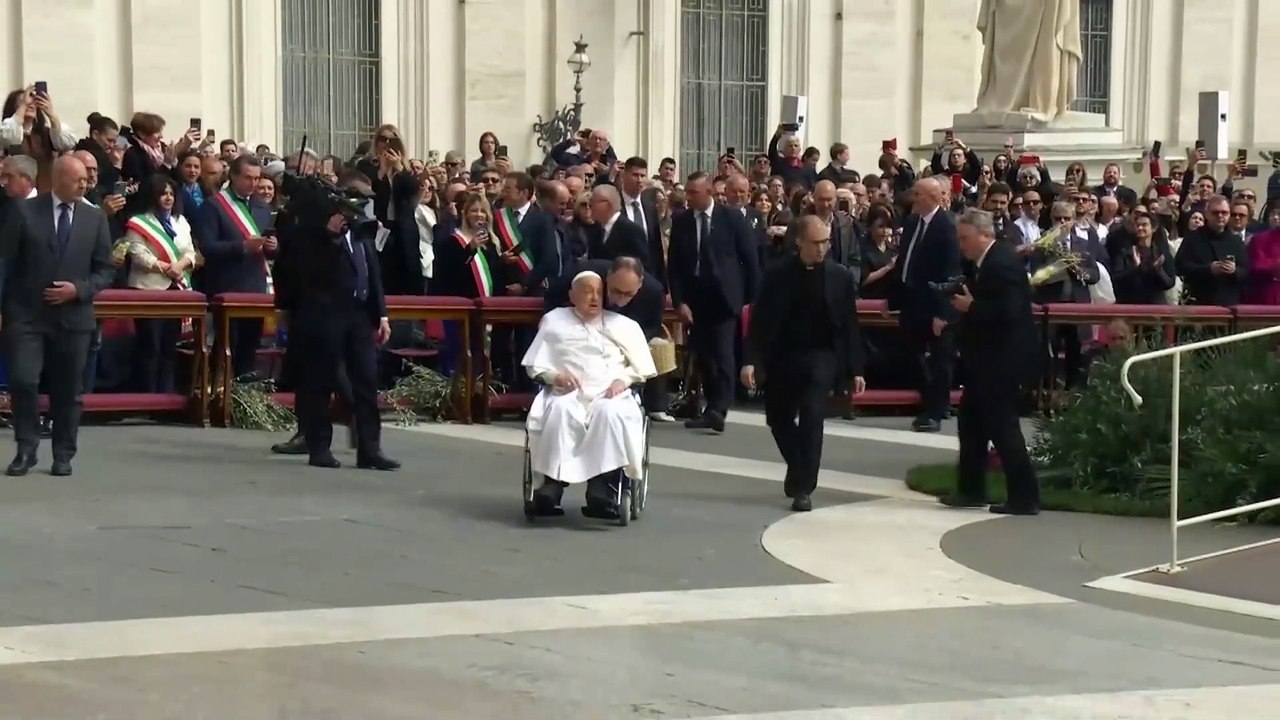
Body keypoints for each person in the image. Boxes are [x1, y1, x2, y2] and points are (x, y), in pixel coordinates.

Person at [0, 155, 115, 477]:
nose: (84, 184)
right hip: (27, 315)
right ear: (58, 178)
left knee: (68, 389)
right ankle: (26, 449)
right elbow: (5, 262)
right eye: (77, 179)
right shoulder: (24, 212)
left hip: (73, 317)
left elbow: (105, 269)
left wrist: (78, 290)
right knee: (24, 380)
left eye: (85, 179)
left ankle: (63, 453)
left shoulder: (95, 220)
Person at [741, 216, 866, 512]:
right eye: (816, 243)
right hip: (782, 355)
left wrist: (856, 369)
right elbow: (760, 323)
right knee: (779, 419)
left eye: (826, 243)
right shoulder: (776, 275)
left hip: (822, 356)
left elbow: (849, 325)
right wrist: (751, 362)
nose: (822, 249)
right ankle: (799, 465)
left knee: (812, 414)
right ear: (799, 242)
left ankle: (804, 488)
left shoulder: (839, 276)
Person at [275, 178, 399, 471]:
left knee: (367, 382)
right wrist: (329, 236)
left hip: (358, 316)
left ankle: (370, 450)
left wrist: (381, 314)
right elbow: (306, 273)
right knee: (320, 382)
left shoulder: (361, 232)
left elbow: (372, 274)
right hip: (323, 314)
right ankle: (319, 447)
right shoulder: (309, 235)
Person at [524, 271, 657, 517]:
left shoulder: (624, 326)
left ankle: (602, 488)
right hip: (566, 393)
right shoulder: (554, 320)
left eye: (598, 292)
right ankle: (551, 486)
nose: (594, 297)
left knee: (610, 413)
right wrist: (555, 377)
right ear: (571, 296)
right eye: (587, 291)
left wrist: (623, 379)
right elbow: (535, 365)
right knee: (560, 411)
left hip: (609, 394)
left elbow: (642, 368)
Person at [946, 209, 1040, 515]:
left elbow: (1010, 312)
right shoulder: (988, 261)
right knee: (971, 422)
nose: (961, 245)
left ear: (984, 235)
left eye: (965, 239)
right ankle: (971, 489)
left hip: (1002, 361)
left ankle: (1025, 497)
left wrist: (972, 307)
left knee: (1003, 428)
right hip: (986, 360)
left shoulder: (1001, 262)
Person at [667, 173, 760, 433]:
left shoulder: (731, 219)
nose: (689, 197)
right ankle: (710, 407)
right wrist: (679, 301)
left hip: (725, 297)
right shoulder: (682, 221)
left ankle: (719, 407)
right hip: (696, 297)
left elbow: (750, 261)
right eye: (687, 192)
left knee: (722, 353)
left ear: (708, 191)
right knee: (704, 355)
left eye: (694, 192)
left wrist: (751, 300)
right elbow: (674, 266)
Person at [546, 256, 670, 420]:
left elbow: (652, 327)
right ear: (608, 276)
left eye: (628, 294)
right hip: (579, 340)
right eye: (616, 291)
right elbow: (552, 297)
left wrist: (628, 343)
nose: (620, 299)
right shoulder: (586, 275)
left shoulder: (653, 292)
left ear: (640, 284)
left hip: (620, 349)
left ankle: (654, 404)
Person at [888, 178, 962, 433]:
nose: (913, 198)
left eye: (918, 194)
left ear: (933, 197)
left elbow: (951, 272)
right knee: (913, 353)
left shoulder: (947, 226)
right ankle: (931, 402)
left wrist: (943, 313)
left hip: (935, 304)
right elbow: (904, 262)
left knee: (941, 360)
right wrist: (893, 298)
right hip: (912, 301)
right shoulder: (911, 223)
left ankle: (935, 411)